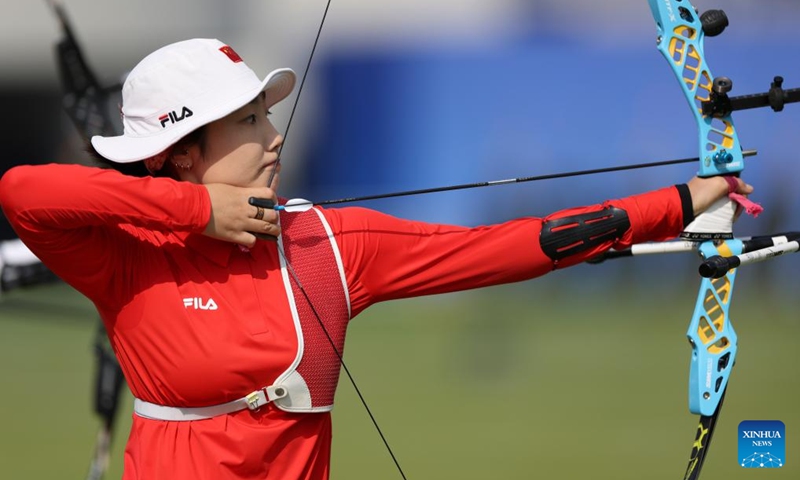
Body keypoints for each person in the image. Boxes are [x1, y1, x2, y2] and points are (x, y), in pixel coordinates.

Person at [0, 38, 753, 480]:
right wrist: (200, 211)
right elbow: (23, 190)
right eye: (250, 122)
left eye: (269, 116)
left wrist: (683, 202)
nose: (276, 137)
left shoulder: (324, 244)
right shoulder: (125, 254)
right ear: (183, 153)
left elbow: (511, 246)